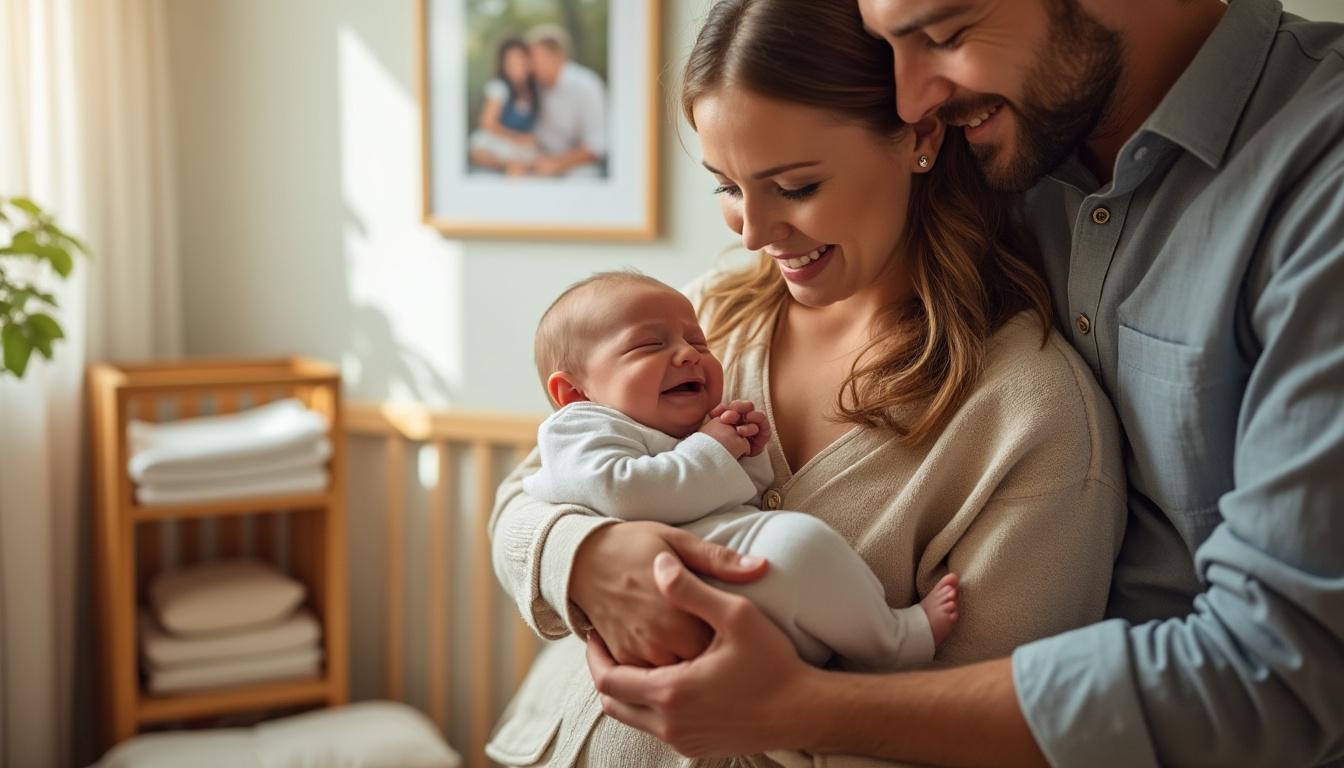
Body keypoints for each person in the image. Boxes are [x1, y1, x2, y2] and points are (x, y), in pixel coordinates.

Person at [586, 0, 1344, 766]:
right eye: (888, 45)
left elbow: (1281, 670)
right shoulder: (731, 301)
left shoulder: (1306, 182)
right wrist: (581, 555)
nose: (914, 98)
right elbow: (559, 453)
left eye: (943, 36)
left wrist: (794, 712)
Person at [485, 0, 1126, 764]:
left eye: (793, 187)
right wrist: (583, 559)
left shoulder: (1029, 418)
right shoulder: (705, 319)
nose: (753, 233)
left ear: (919, 135)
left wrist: (780, 715)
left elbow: (988, 731)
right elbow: (520, 502)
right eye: (727, 187)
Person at [526, 270, 960, 675]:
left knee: (805, 547)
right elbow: (623, 492)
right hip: (683, 592)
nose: (687, 355)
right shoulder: (578, 428)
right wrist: (713, 447)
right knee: (801, 544)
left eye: (698, 343)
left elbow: (738, 497)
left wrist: (747, 453)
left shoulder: (682, 428)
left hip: (737, 596)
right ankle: (895, 639)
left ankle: (870, 634)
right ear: (574, 391)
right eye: (648, 346)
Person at [523, 24, 607, 178]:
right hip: (538, 165)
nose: (530, 68)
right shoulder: (531, 87)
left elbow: (597, 145)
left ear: (558, 56)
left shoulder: (587, 86)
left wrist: (558, 164)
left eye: (535, 60)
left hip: (578, 170)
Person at [468, 38, 542, 176]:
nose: (517, 64)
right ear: (503, 64)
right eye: (511, 60)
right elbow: (488, 123)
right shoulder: (499, 88)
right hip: (499, 143)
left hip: (522, 147)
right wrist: (518, 138)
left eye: (521, 58)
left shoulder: (534, 91)